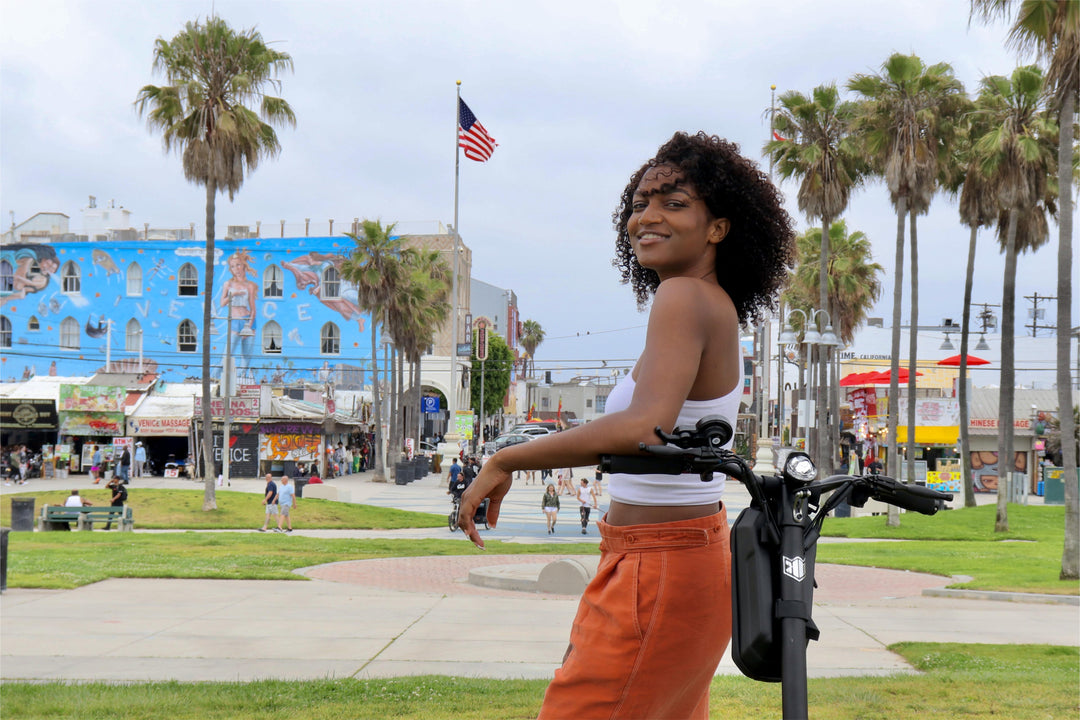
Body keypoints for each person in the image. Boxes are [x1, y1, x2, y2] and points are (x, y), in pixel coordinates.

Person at [457, 131, 794, 718]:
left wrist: (506, 457)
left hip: (660, 562)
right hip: (667, 555)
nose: (648, 217)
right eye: (640, 203)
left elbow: (645, 427)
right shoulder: (702, 302)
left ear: (719, 227)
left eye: (674, 203)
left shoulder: (685, 298)